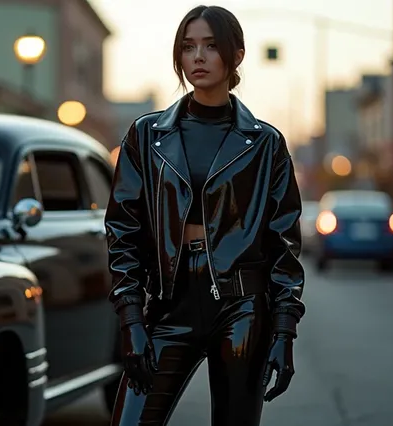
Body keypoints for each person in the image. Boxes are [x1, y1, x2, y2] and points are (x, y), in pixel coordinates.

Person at [104, 5, 306, 426]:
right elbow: (123, 229)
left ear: (236, 55)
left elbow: (284, 243)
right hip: (167, 305)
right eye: (188, 47)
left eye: (211, 47)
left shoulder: (265, 143)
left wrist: (284, 331)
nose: (198, 57)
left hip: (241, 307)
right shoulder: (147, 135)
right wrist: (131, 319)